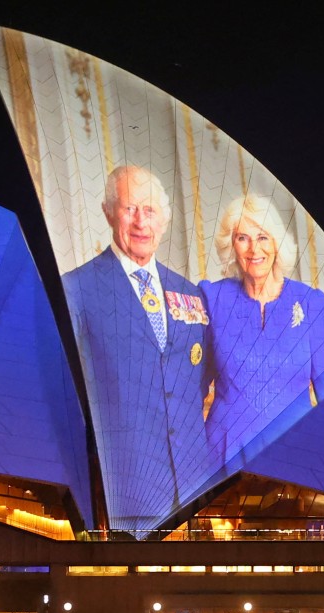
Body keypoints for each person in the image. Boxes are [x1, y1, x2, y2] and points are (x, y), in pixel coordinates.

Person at [62, 166, 214, 529]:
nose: (140, 222)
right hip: (125, 493)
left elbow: (201, 377)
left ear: (163, 219)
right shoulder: (77, 290)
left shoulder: (190, 294)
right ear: (108, 212)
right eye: (130, 209)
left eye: (149, 211)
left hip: (194, 490)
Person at [201, 194, 324, 466]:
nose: (254, 249)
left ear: (276, 242)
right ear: (231, 245)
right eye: (242, 237)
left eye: (262, 237)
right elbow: (194, 388)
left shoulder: (311, 303)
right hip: (223, 459)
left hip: (296, 457)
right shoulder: (212, 298)